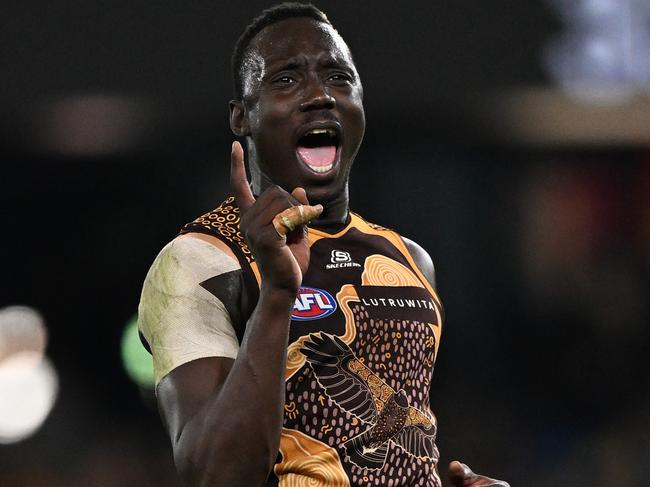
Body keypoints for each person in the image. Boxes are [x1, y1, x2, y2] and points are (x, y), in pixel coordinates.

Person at [138, 3, 509, 486]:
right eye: (287, 80)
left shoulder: (408, 259)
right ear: (241, 118)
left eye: (338, 78)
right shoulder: (201, 260)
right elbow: (214, 474)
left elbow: (391, 444)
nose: (320, 96)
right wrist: (276, 295)